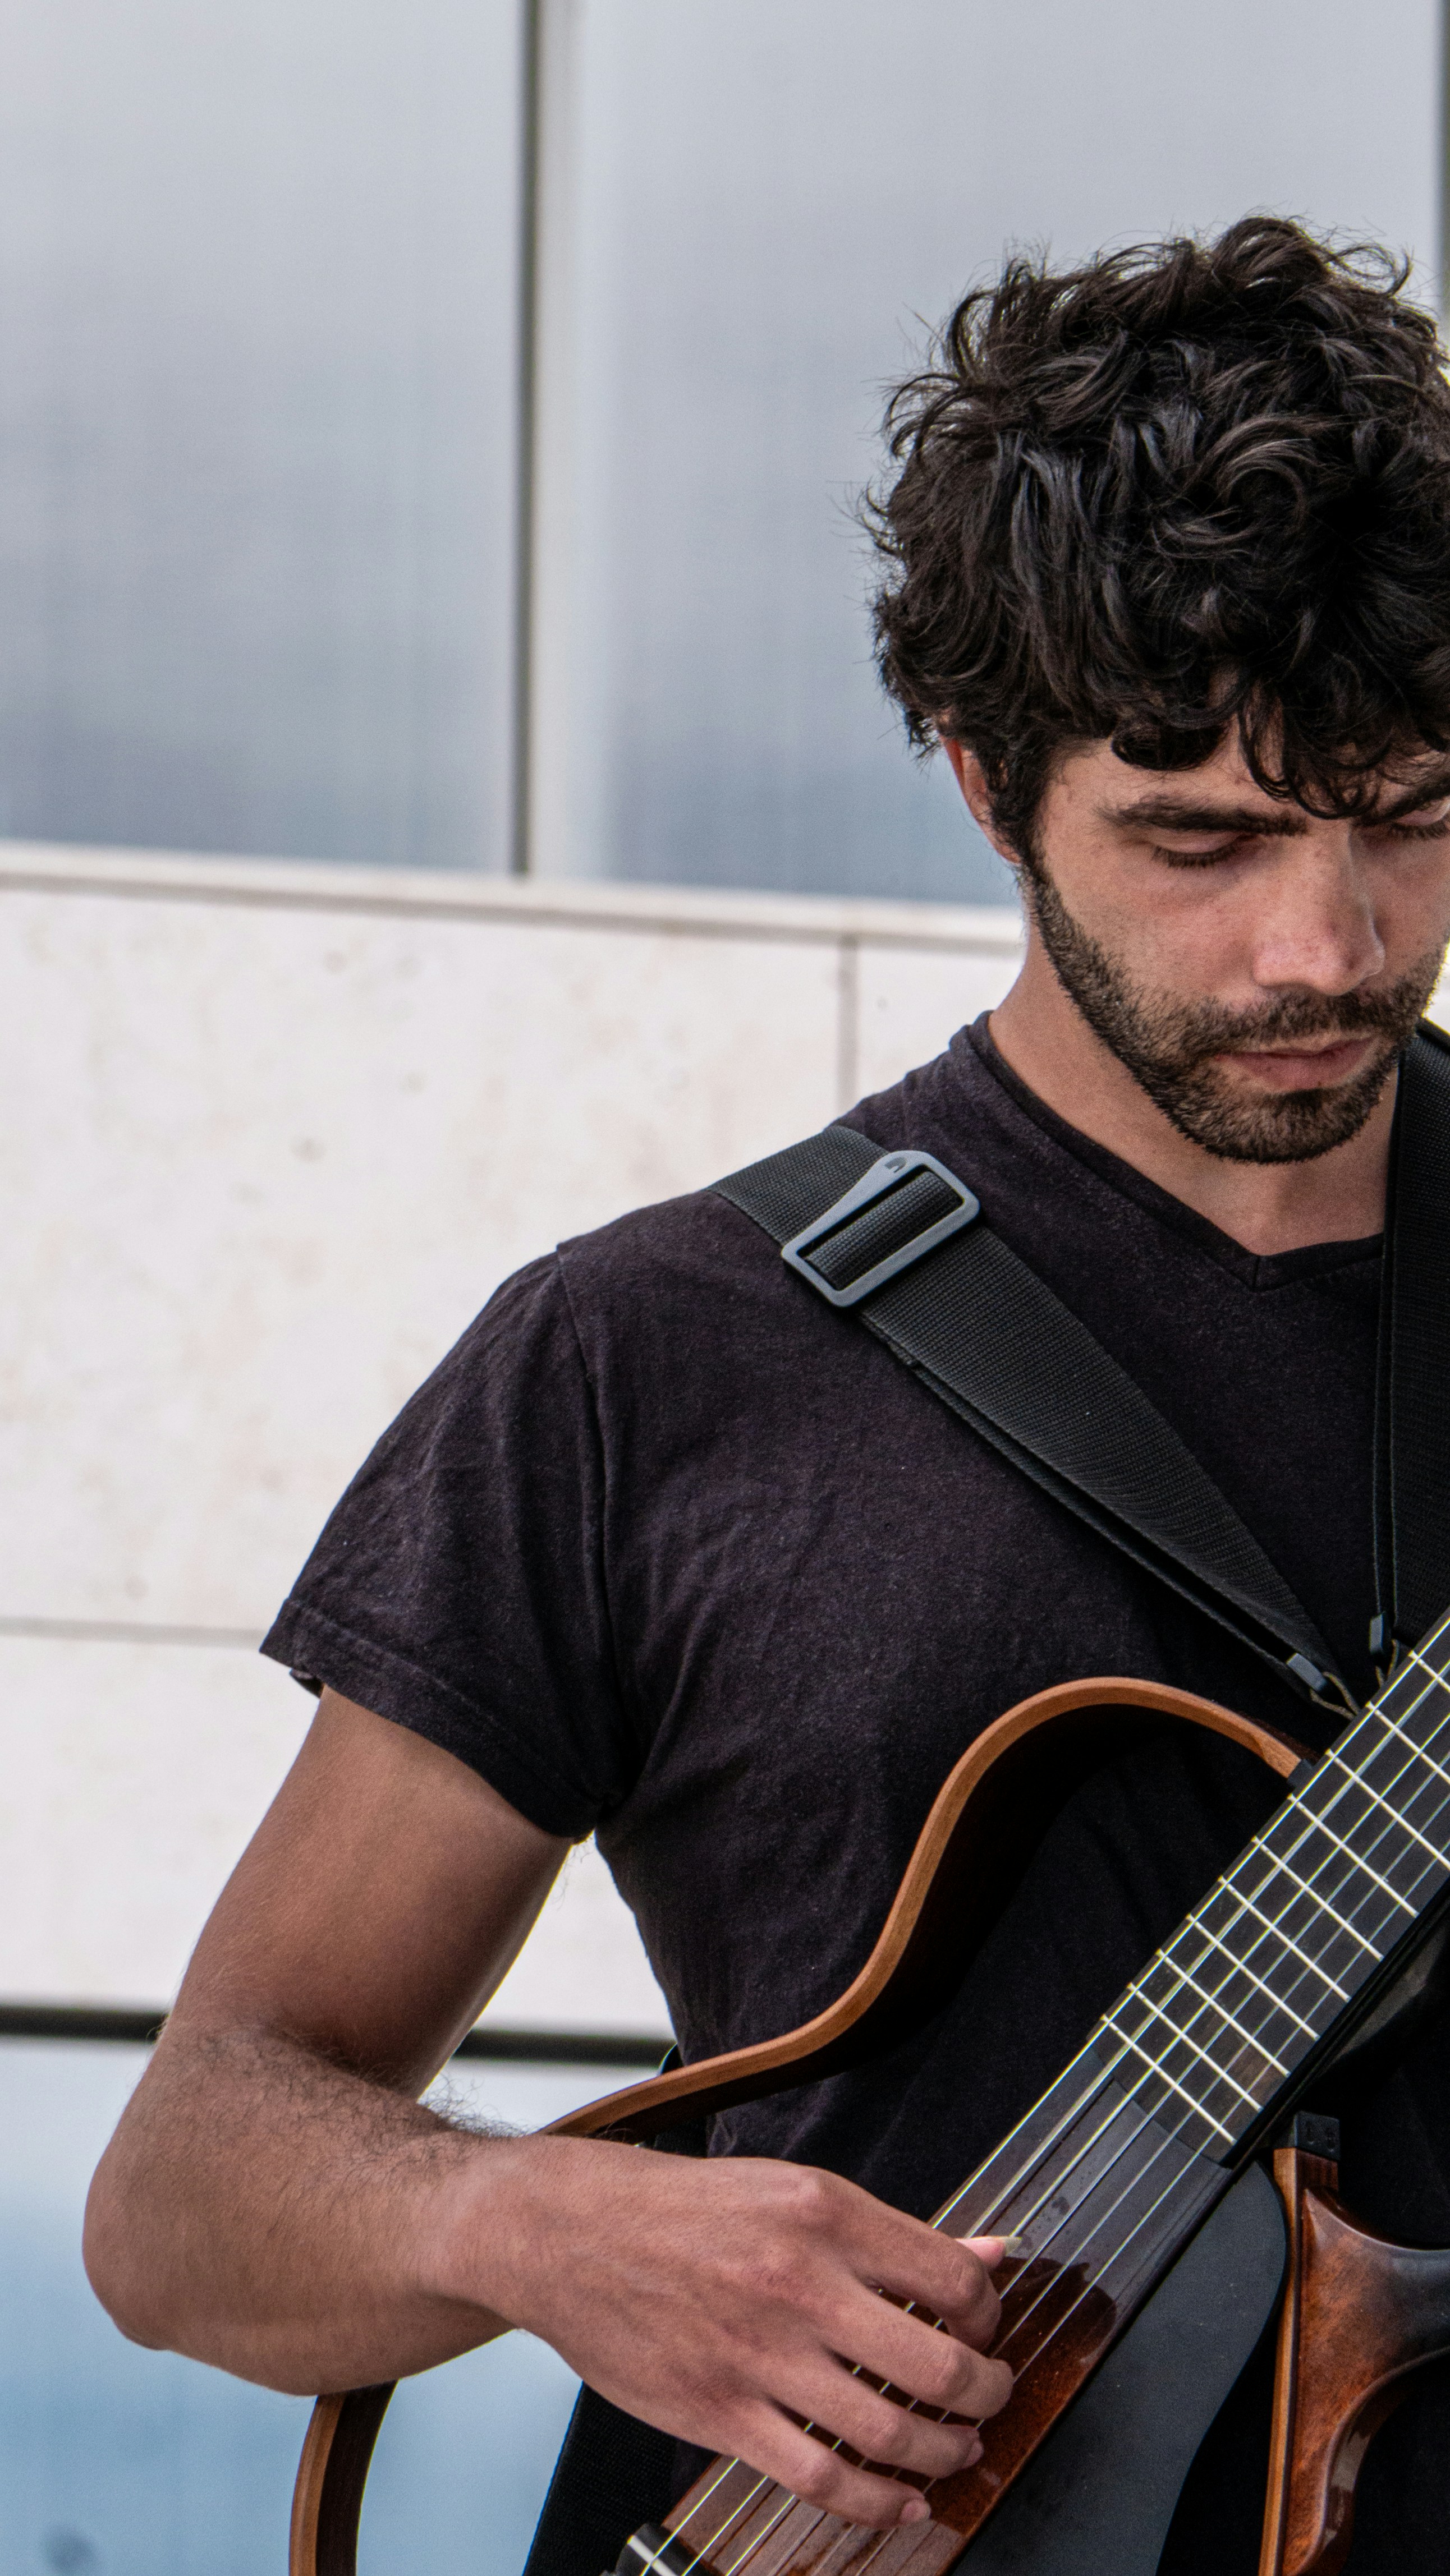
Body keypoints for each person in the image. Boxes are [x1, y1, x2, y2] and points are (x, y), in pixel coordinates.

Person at [85, 217, 1450, 2570]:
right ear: (974, 772)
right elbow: (184, 2183)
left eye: (1411, 811)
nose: (1320, 942)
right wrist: (531, 2229)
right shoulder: (647, 1355)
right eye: (1200, 839)